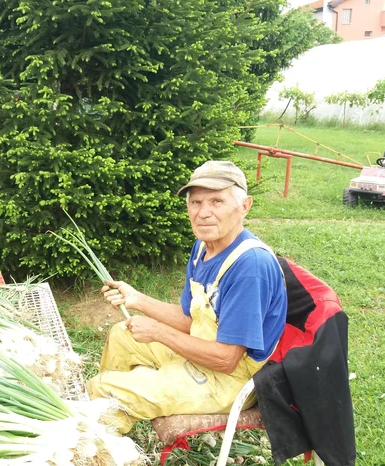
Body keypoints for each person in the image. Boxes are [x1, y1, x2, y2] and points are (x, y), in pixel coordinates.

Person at [86, 160, 287, 434]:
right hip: (203, 349)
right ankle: (113, 426)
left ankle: (103, 447)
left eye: (217, 201)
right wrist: (137, 299)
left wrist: (158, 332)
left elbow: (227, 359)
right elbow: (189, 319)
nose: (203, 213)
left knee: (105, 390)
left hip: (230, 379)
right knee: (123, 335)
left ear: (244, 206)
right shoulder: (203, 247)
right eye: (195, 203)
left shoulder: (249, 267)